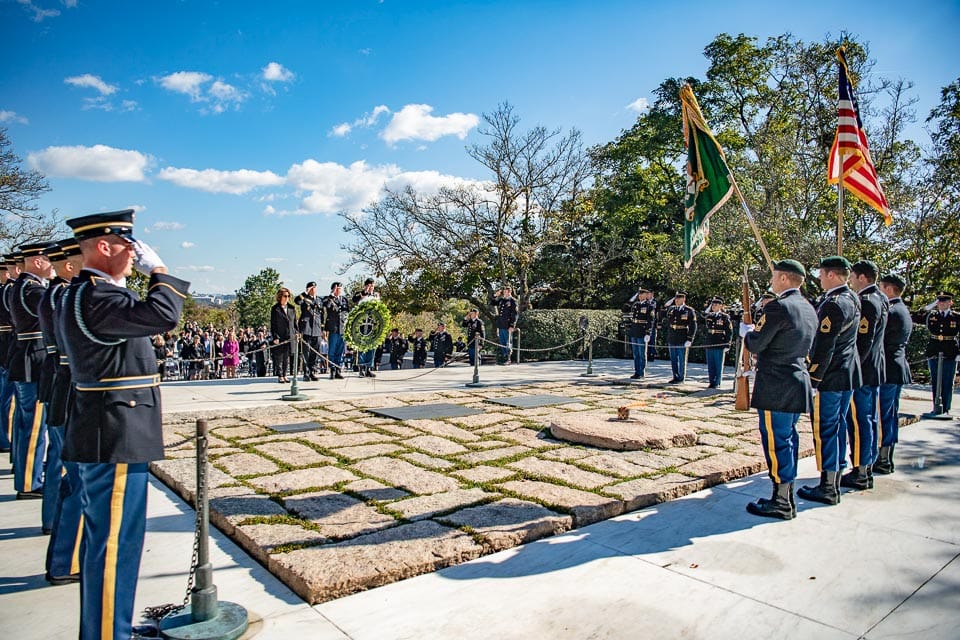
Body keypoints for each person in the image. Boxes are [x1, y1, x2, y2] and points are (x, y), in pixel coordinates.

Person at [58, 209, 189, 640]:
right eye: (128, 248)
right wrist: (162, 272)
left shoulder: (80, 293)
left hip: (108, 424)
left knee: (110, 540)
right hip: (115, 429)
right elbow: (164, 314)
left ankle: (112, 626)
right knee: (115, 544)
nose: (134, 256)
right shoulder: (99, 297)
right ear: (103, 247)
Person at [739, 259, 817, 519]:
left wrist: (747, 332)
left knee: (776, 443)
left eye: (775, 276)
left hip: (777, 385)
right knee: (789, 439)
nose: (772, 280)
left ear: (784, 278)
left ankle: (781, 500)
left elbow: (757, 344)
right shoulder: (808, 308)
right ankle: (786, 495)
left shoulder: (779, 308)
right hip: (797, 382)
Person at [797, 256, 861, 506]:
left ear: (832, 275)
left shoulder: (834, 304)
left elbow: (824, 345)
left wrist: (813, 378)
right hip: (847, 374)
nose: (819, 278)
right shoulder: (852, 298)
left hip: (831, 376)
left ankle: (827, 485)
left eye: (822, 274)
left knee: (825, 430)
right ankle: (836, 473)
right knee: (837, 427)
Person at [10, 241, 56, 501]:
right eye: (50, 260)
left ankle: (28, 475)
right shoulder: (31, 290)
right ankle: (29, 481)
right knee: (34, 428)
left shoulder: (23, 287)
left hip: (28, 358)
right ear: (38, 261)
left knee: (28, 424)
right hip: (33, 362)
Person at [841, 260, 888, 490]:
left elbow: (863, 342)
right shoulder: (882, 298)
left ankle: (860, 469)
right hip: (875, 369)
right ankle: (867, 464)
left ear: (861, 277)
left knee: (859, 421)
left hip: (863, 371)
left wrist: (853, 367)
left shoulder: (868, 302)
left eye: (852, 276)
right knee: (869, 419)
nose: (850, 280)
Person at [875, 273, 912, 474]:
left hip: (888, 369)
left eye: (881, 287)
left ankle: (883, 458)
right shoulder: (902, 309)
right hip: (896, 367)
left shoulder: (891, 311)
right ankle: (886, 457)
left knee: (883, 415)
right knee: (889, 415)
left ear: (889, 289)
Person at [925, 292, 958, 415]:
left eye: (944, 301)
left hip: (950, 351)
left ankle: (946, 408)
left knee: (947, 380)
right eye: (939, 301)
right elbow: (918, 315)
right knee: (935, 380)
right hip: (934, 350)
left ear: (950, 303)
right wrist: (932, 305)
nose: (941, 304)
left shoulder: (956, 317)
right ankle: (936, 407)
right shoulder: (932, 315)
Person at [663, 291, 697, 383]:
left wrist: (690, 338)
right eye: (676, 298)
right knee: (673, 359)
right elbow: (663, 309)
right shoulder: (672, 309)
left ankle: (681, 377)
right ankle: (675, 376)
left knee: (682, 359)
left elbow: (693, 326)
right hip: (672, 336)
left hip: (682, 337)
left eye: (679, 298)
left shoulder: (689, 310)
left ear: (684, 299)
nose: (677, 300)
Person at [352, 278, 380, 378]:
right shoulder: (360, 294)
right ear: (365, 285)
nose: (371, 287)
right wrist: (364, 292)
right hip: (362, 323)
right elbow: (354, 300)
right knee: (362, 346)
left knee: (372, 346)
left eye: (372, 286)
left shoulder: (376, 295)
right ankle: (361, 368)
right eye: (369, 285)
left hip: (372, 323)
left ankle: (369, 367)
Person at [295, 281, 323, 380]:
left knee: (315, 352)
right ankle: (306, 373)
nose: (313, 290)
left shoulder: (319, 300)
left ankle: (312, 371)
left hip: (317, 328)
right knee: (306, 352)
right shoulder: (304, 298)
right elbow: (297, 301)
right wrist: (305, 293)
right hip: (306, 328)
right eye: (311, 288)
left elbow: (322, 314)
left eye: (314, 288)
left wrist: (322, 328)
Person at [703, 297, 732, 388]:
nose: (714, 306)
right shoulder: (709, 316)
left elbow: (729, 331)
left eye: (716, 305)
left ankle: (717, 382)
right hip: (710, 342)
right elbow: (703, 315)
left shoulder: (724, 317)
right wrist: (709, 308)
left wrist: (727, 344)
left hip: (719, 342)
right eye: (713, 304)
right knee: (711, 364)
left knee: (718, 364)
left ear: (720, 306)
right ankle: (712, 381)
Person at [322, 282, 350, 379]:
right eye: (337, 288)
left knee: (340, 351)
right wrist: (332, 295)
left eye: (340, 288)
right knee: (332, 351)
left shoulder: (344, 299)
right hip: (333, 328)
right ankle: (332, 369)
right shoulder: (328, 298)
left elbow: (347, 311)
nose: (339, 290)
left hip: (342, 328)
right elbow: (327, 306)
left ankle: (338, 369)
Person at [270, 287, 296, 383]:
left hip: (290, 336)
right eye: (285, 296)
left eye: (288, 296)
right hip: (280, 336)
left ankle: (285, 374)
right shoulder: (275, 309)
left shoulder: (292, 308)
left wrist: (296, 333)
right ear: (280, 297)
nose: (287, 298)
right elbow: (273, 325)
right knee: (279, 357)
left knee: (286, 357)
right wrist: (275, 337)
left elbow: (294, 323)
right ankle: (280, 375)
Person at [627, 288, 655, 379]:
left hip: (642, 331)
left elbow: (650, 321)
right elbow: (626, 307)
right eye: (639, 294)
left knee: (642, 353)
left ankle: (641, 372)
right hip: (634, 330)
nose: (639, 296)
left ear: (646, 295)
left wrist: (648, 333)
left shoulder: (649, 306)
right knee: (636, 354)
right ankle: (636, 371)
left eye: (641, 294)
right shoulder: (636, 305)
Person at [492, 286, 518, 365]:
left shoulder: (513, 301)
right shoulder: (502, 300)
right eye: (503, 292)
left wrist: (512, 325)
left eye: (505, 291)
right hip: (501, 324)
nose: (504, 293)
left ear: (509, 292)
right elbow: (492, 303)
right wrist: (495, 295)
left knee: (508, 342)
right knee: (502, 342)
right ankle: (504, 357)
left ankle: (508, 358)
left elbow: (515, 314)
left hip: (507, 325)